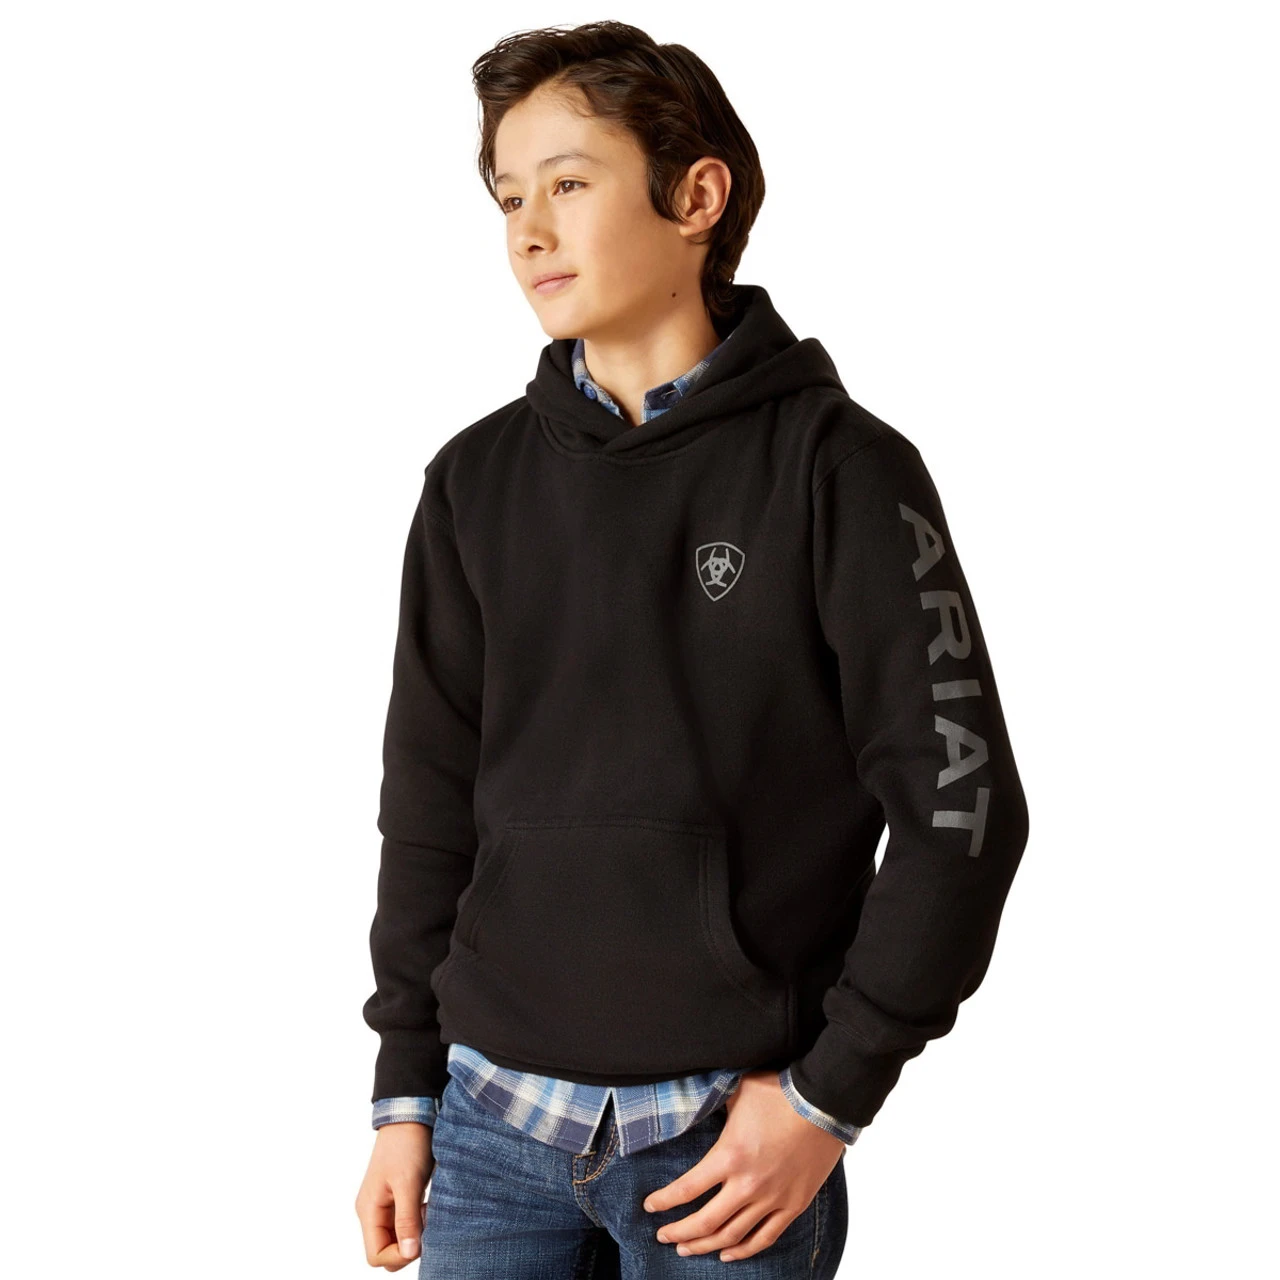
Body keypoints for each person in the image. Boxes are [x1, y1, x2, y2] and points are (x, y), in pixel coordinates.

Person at [354, 20, 1029, 1278]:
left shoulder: (839, 471)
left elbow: (962, 809)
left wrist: (828, 1094)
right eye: (507, 196)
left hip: (723, 1149)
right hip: (487, 1131)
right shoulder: (471, 484)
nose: (527, 231)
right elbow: (426, 808)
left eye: (567, 182)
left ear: (695, 197)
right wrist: (403, 1093)